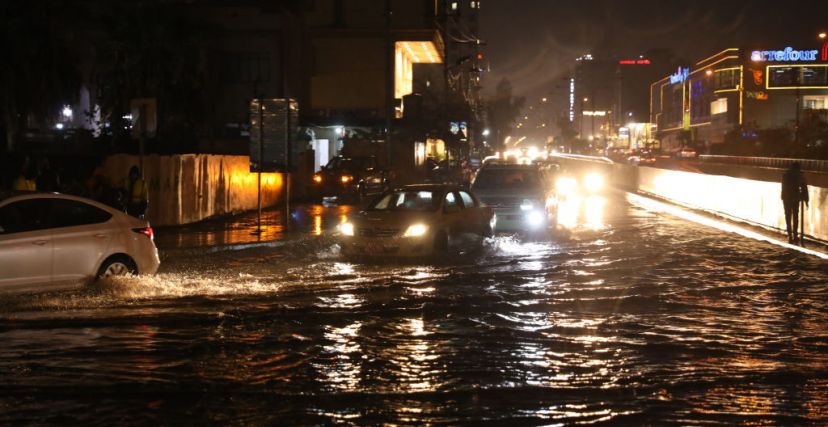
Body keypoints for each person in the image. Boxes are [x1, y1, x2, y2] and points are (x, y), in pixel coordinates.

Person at [781, 162, 809, 244]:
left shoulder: (785, 175)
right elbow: (804, 188)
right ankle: (795, 235)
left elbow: (784, 188)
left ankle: (790, 235)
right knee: (795, 216)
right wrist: (806, 200)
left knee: (788, 216)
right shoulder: (800, 176)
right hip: (795, 198)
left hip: (787, 199)